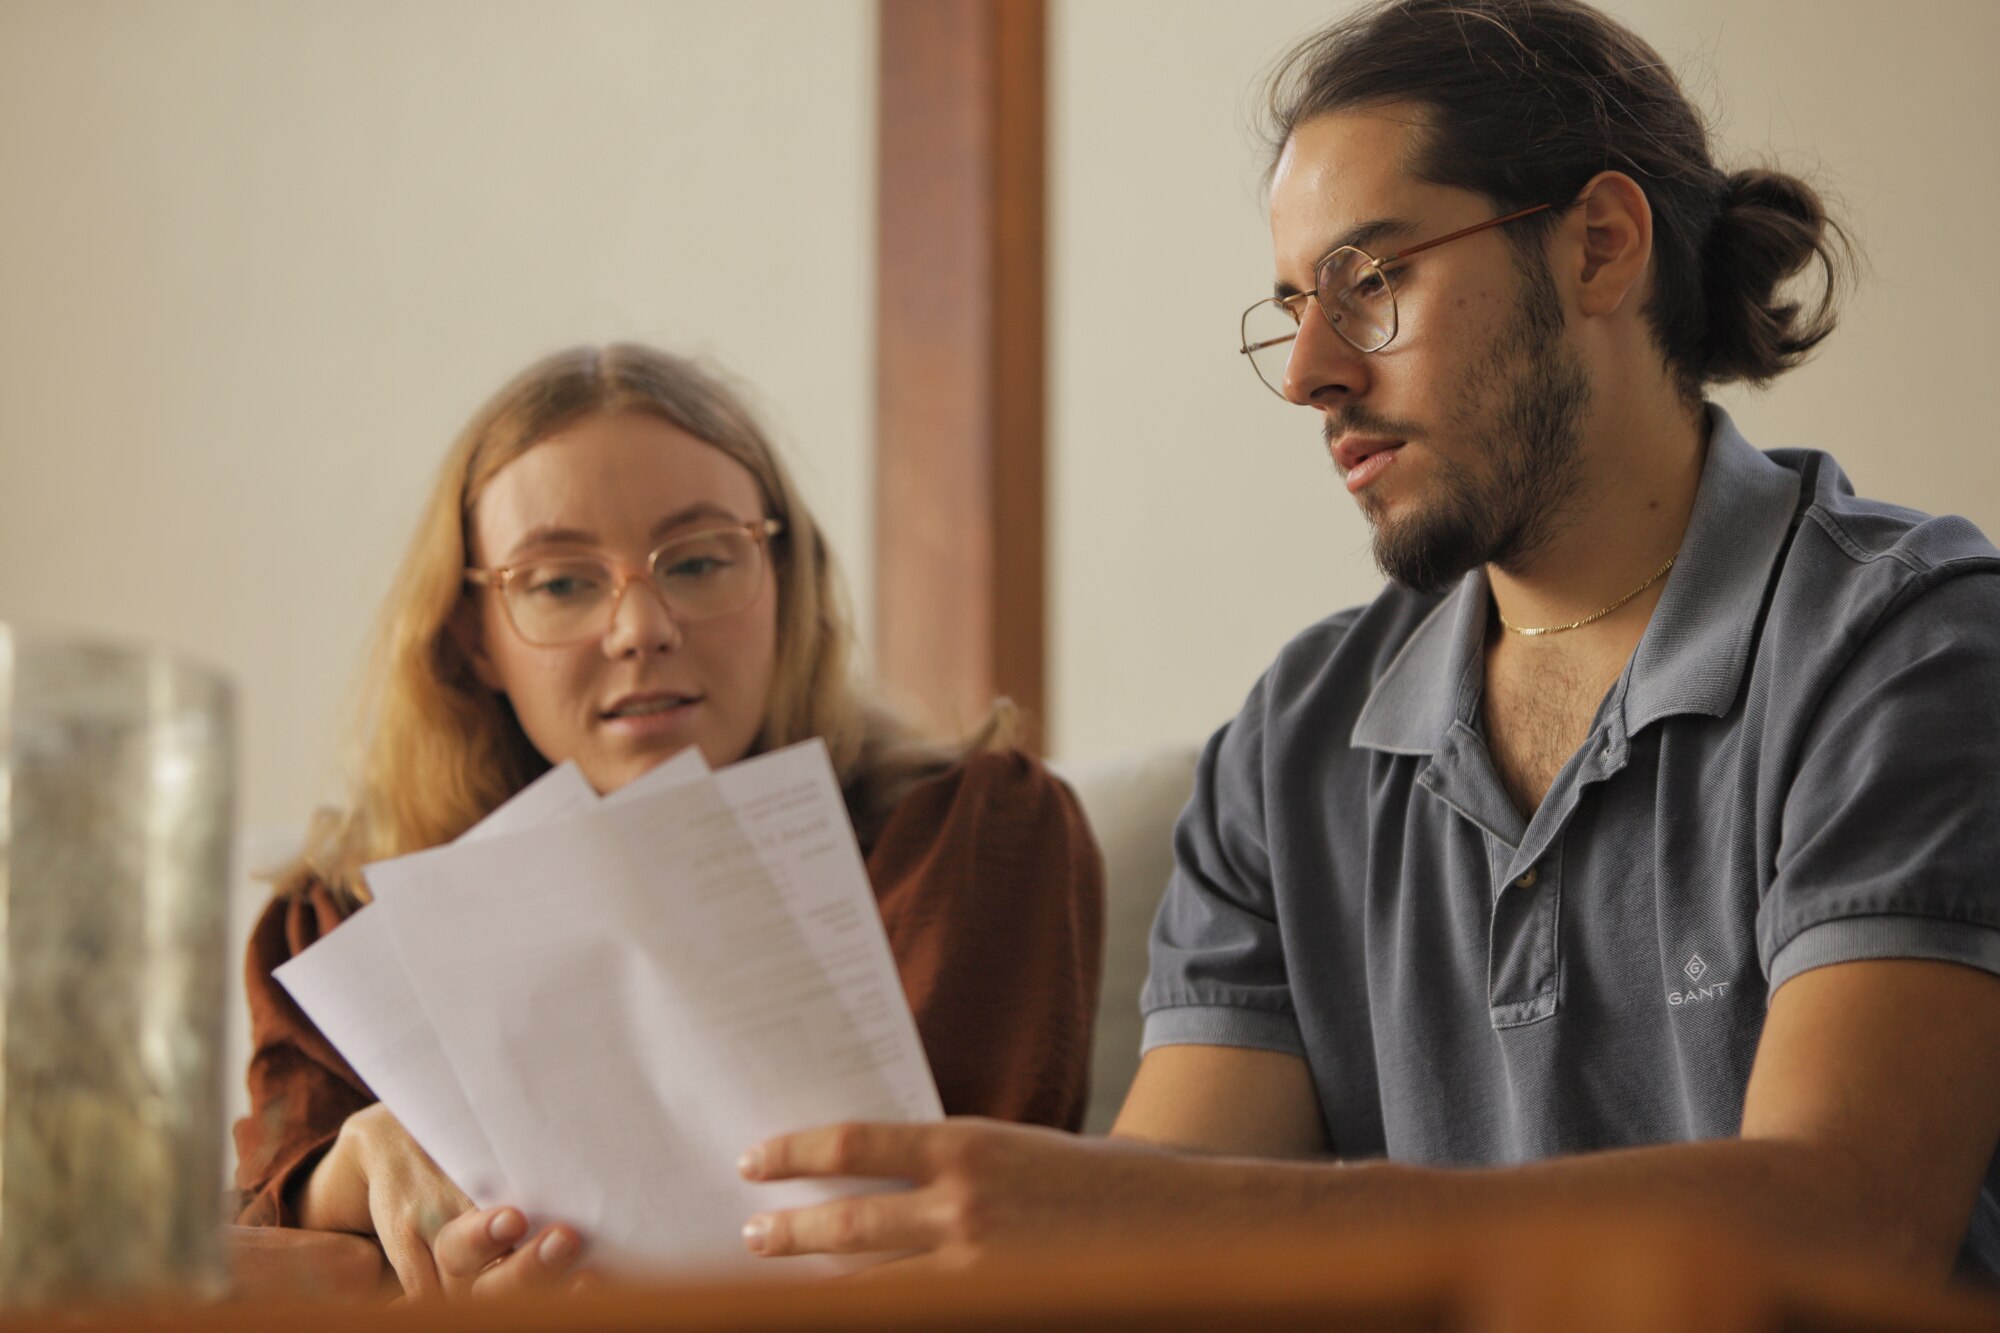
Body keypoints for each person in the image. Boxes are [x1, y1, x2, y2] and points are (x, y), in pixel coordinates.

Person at [730, 0, 2000, 1283]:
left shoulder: (1906, 648)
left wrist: (1143, 1217)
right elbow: (1146, 1257)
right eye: (1292, 306)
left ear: (1600, 248)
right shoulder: (1295, 738)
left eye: (1372, 282)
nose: (1308, 373)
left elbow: (1845, 1226)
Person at [232, 343, 1104, 1297]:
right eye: (560, 582)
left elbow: (980, 1231)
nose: (641, 626)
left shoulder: (966, 834)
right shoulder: (336, 916)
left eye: (697, 561)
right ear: (473, 636)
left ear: (783, 579)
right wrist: (351, 1165)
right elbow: (252, 1234)